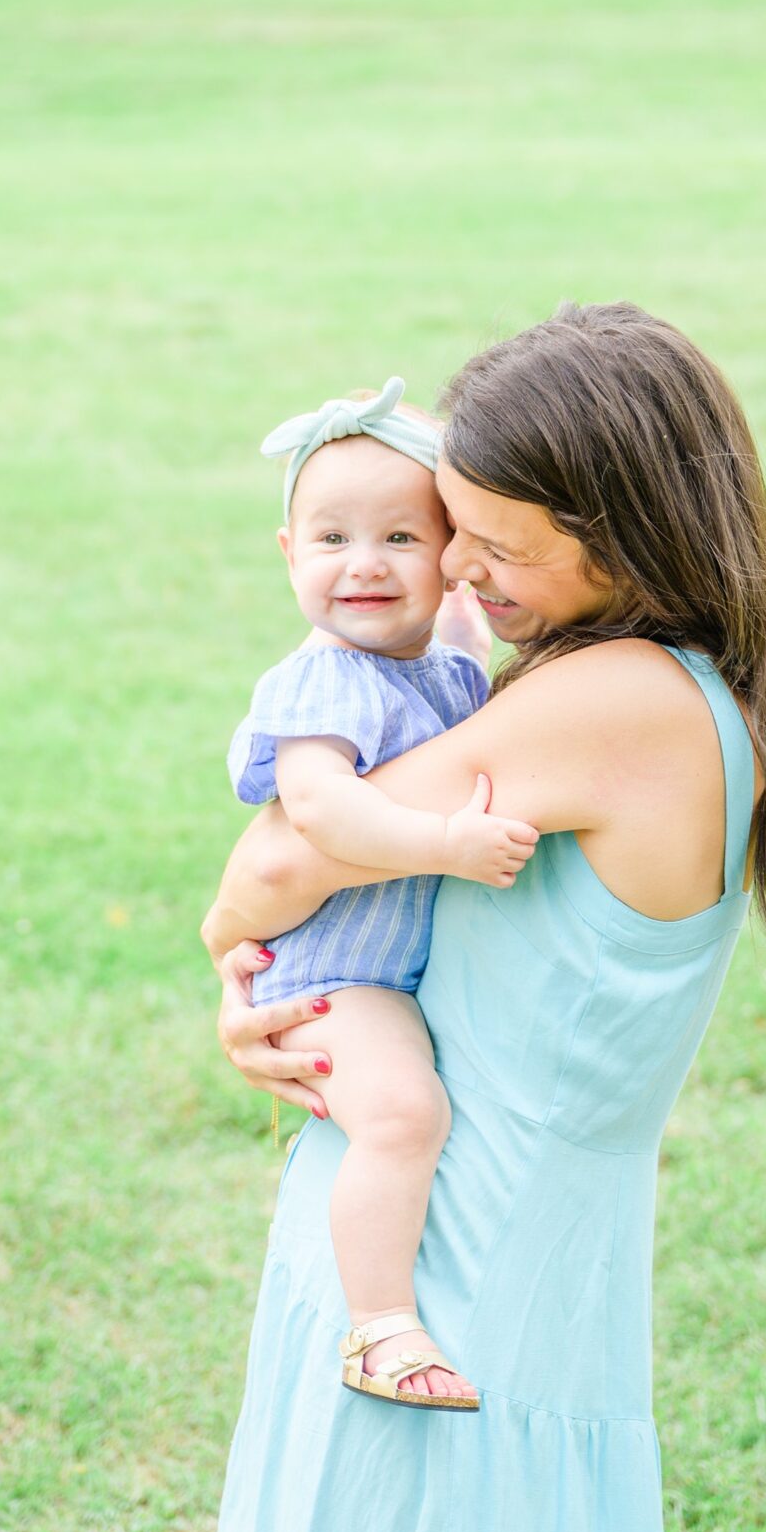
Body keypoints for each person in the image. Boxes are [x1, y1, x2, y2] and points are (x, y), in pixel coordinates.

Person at [168, 303, 766, 1532]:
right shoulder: (686, 690)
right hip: (511, 1251)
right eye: (448, 533)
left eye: (489, 541)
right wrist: (267, 997)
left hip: (454, 1265)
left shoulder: (607, 700)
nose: (456, 573)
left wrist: (236, 945)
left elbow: (274, 870)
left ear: (624, 536)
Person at [226, 376, 537, 1411]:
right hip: (333, 972)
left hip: (388, 969)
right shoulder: (320, 683)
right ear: (288, 555)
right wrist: (443, 841)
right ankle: (380, 1328)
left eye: (402, 537)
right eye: (330, 539)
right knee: (403, 1114)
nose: (362, 563)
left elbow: (464, 618)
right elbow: (320, 813)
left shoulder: (442, 667)